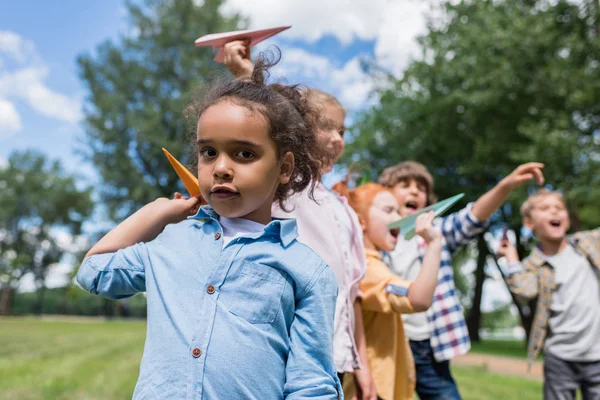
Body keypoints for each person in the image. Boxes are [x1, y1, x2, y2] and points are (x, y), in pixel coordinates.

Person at [76, 53, 341, 399]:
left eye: (244, 154)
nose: (220, 168)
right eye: (208, 152)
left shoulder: (308, 271)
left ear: (285, 167)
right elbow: (93, 272)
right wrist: (156, 212)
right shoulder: (170, 243)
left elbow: (312, 385)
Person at [222, 40, 377, 398]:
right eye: (327, 127)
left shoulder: (343, 209)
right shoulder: (286, 185)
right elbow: (258, 127)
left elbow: (352, 295)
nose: (337, 138)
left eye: (343, 131)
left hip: (336, 358)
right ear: (301, 130)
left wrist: (361, 366)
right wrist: (247, 76)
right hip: (284, 354)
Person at [378, 161, 545, 399]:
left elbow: (474, 215)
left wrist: (505, 185)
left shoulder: (438, 232)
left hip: (428, 347)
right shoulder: (376, 239)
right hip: (389, 342)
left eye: (421, 188)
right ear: (386, 194)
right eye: (405, 185)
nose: (415, 191)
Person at [334, 182, 441, 400]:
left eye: (399, 211)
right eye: (389, 210)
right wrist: (434, 244)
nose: (400, 218)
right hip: (373, 392)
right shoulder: (367, 268)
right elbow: (418, 299)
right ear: (361, 222)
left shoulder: (370, 264)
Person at [497, 189, 600, 400]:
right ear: (529, 224)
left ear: (568, 221)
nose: (554, 212)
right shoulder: (532, 265)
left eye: (559, 208)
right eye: (545, 208)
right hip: (560, 358)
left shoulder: (587, 243)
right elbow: (525, 291)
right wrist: (511, 257)